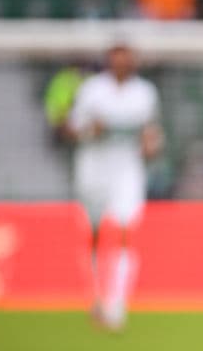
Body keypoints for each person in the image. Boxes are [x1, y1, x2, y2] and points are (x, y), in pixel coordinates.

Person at [65, 44, 163, 331]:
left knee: (124, 230)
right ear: (109, 63)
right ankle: (95, 297)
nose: (123, 65)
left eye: (127, 61)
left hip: (127, 169)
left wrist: (150, 146)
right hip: (93, 168)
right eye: (117, 61)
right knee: (93, 233)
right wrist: (88, 131)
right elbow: (71, 128)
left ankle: (117, 304)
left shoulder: (145, 93)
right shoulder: (92, 90)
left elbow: (151, 134)